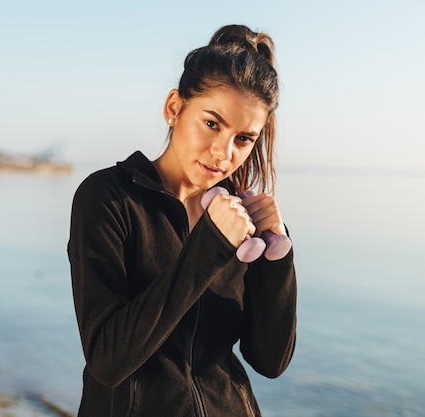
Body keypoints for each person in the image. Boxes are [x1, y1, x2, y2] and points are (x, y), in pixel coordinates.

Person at [68, 24, 297, 417]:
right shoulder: (108, 198)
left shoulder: (241, 220)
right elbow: (108, 360)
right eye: (212, 124)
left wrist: (278, 259)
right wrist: (209, 246)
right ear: (174, 108)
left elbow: (270, 361)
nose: (223, 153)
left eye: (244, 138)